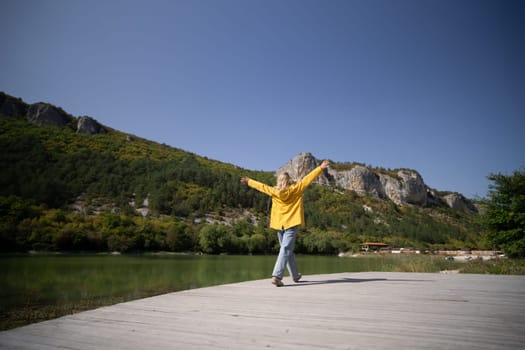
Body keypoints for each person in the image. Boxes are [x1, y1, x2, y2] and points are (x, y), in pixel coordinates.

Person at [240, 160, 330, 287]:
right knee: (286, 249)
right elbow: (307, 179)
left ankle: (295, 275)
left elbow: (262, 186)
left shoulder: (274, 192)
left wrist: (249, 181)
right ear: (289, 181)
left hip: (279, 224)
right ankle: (277, 276)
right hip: (291, 223)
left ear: (279, 181)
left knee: (286, 249)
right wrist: (320, 168)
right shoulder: (296, 189)